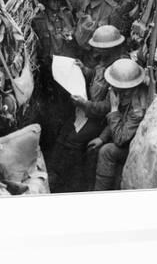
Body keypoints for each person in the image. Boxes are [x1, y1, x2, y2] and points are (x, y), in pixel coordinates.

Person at [47, 25, 128, 193]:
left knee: (73, 140)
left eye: (99, 47)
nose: (95, 50)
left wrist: (85, 104)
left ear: (110, 48)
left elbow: (109, 106)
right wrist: (85, 70)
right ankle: (53, 173)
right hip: (88, 110)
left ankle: (71, 181)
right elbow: (96, 76)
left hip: (100, 120)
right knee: (64, 131)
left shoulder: (120, 69)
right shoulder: (104, 60)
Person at [31, 0, 78, 155]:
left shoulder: (67, 16)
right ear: (47, 1)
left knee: (69, 103)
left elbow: (74, 41)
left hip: (67, 67)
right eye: (53, 1)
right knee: (51, 107)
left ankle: (67, 140)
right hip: (48, 72)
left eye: (59, 1)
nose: (56, 5)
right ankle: (51, 142)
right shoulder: (38, 21)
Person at [92, 58, 149, 191]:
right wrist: (102, 138)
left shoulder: (138, 109)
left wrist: (114, 109)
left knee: (107, 151)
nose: (112, 89)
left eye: (116, 87)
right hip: (123, 134)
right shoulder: (127, 93)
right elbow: (121, 120)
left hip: (131, 146)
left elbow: (120, 139)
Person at [74, 0, 118, 66]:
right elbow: (76, 20)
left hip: (98, 59)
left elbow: (114, 42)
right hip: (80, 53)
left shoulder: (111, 8)